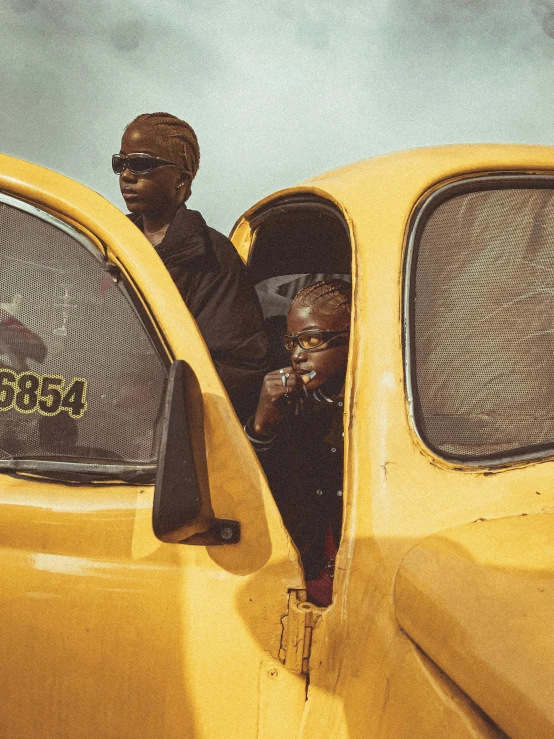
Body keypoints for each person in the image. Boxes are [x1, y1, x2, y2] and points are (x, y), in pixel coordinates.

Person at [113, 112, 269, 420]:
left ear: (181, 179)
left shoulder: (212, 257)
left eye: (142, 163)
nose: (127, 175)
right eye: (121, 163)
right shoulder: (111, 243)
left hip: (165, 430)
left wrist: (156, 394)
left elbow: (241, 365)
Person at [244, 279, 351, 607]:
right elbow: (252, 496)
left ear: (352, 338)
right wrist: (262, 424)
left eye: (312, 340)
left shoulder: (378, 406)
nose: (298, 356)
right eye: (292, 343)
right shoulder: (292, 406)